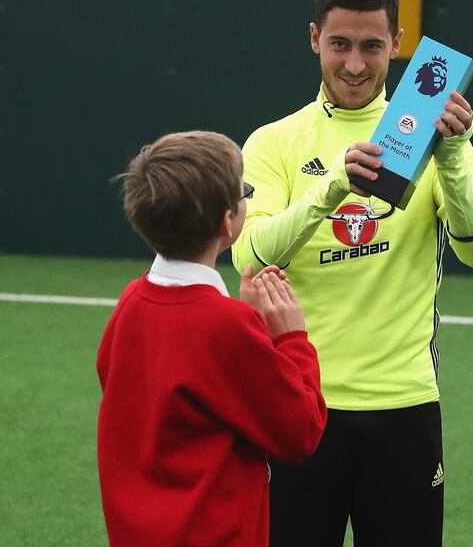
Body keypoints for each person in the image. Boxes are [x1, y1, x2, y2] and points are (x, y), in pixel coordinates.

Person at [231, 0, 473, 544]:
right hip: (300, 403)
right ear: (314, 39)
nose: (354, 64)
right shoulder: (274, 141)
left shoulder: (429, 133)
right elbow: (249, 259)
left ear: (397, 43)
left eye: (372, 46)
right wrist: (332, 187)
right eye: (340, 44)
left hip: (404, 405)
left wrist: (454, 154)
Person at [96, 131, 327, 546]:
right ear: (227, 222)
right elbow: (301, 431)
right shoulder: (226, 325)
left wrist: (246, 325)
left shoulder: (132, 300)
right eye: (245, 192)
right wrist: (290, 337)